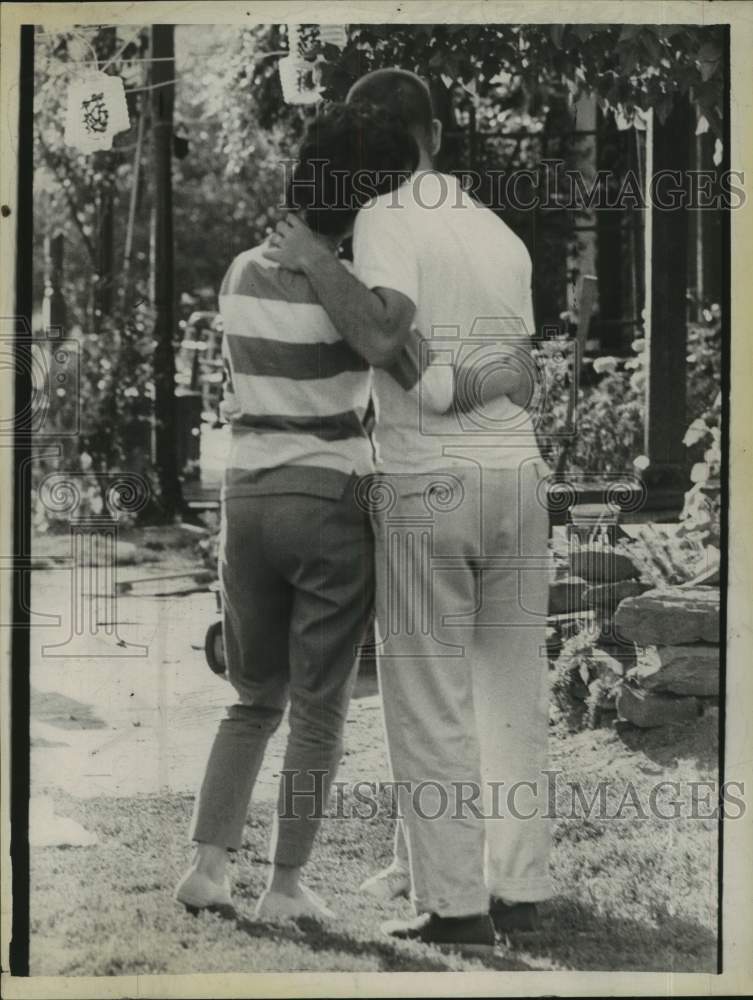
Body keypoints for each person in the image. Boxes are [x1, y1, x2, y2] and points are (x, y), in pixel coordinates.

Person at [265, 68, 553, 950]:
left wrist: (317, 260)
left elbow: (388, 336)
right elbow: (522, 370)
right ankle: (520, 882)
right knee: (512, 691)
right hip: (518, 477)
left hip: (432, 483)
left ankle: (456, 906)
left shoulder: (386, 215)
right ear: (437, 128)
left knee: (428, 699)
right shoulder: (494, 227)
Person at [175, 102, 453, 920]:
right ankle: (286, 887)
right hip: (328, 497)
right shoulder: (355, 288)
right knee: (319, 705)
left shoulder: (237, 272)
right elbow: (406, 366)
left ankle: (206, 867)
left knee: (251, 698)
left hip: (247, 496)